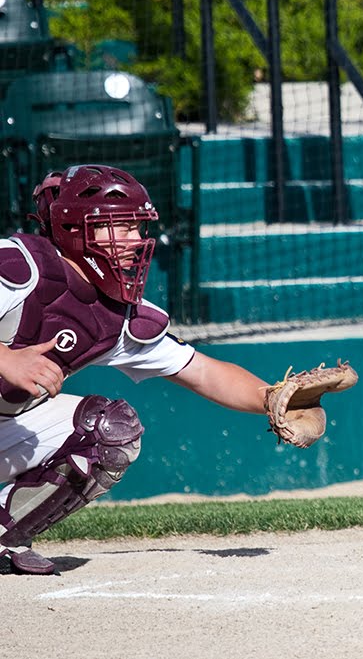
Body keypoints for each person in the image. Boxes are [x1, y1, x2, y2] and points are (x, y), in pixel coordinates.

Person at [0, 164, 319, 575]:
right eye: (122, 227)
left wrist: (272, 399)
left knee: (110, 429)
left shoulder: (116, 317)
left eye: (137, 227)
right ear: (75, 229)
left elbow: (203, 372)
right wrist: (7, 358)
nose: (137, 240)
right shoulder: (15, 265)